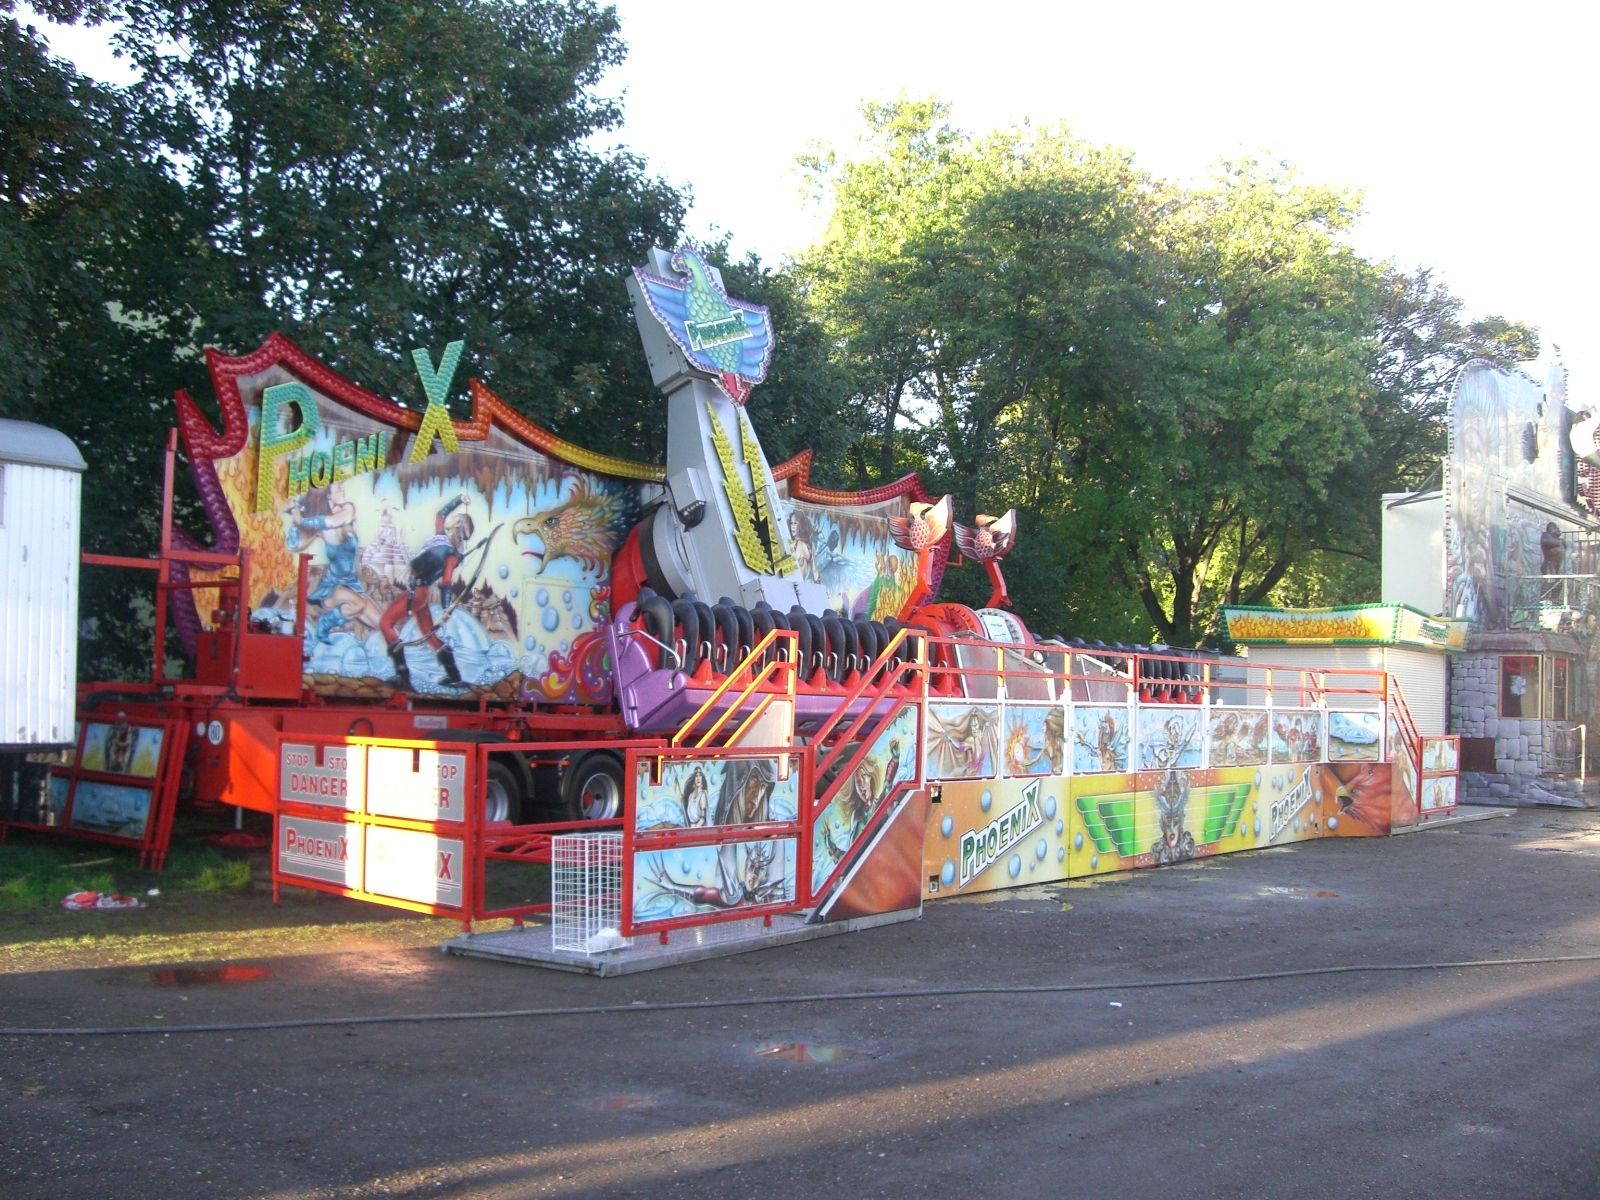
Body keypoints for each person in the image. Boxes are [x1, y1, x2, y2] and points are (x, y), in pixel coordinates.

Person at [380, 492, 474, 688]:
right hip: (420, 593)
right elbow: (441, 514)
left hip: (417, 593)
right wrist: (458, 499)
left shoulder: (451, 554)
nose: (450, 519)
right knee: (428, 634)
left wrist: (446, 609)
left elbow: (446, 582)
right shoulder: (442, 539)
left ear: (457, 524)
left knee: (386, 623)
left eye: (456, 518)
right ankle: (454, 676)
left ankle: (402, 677)